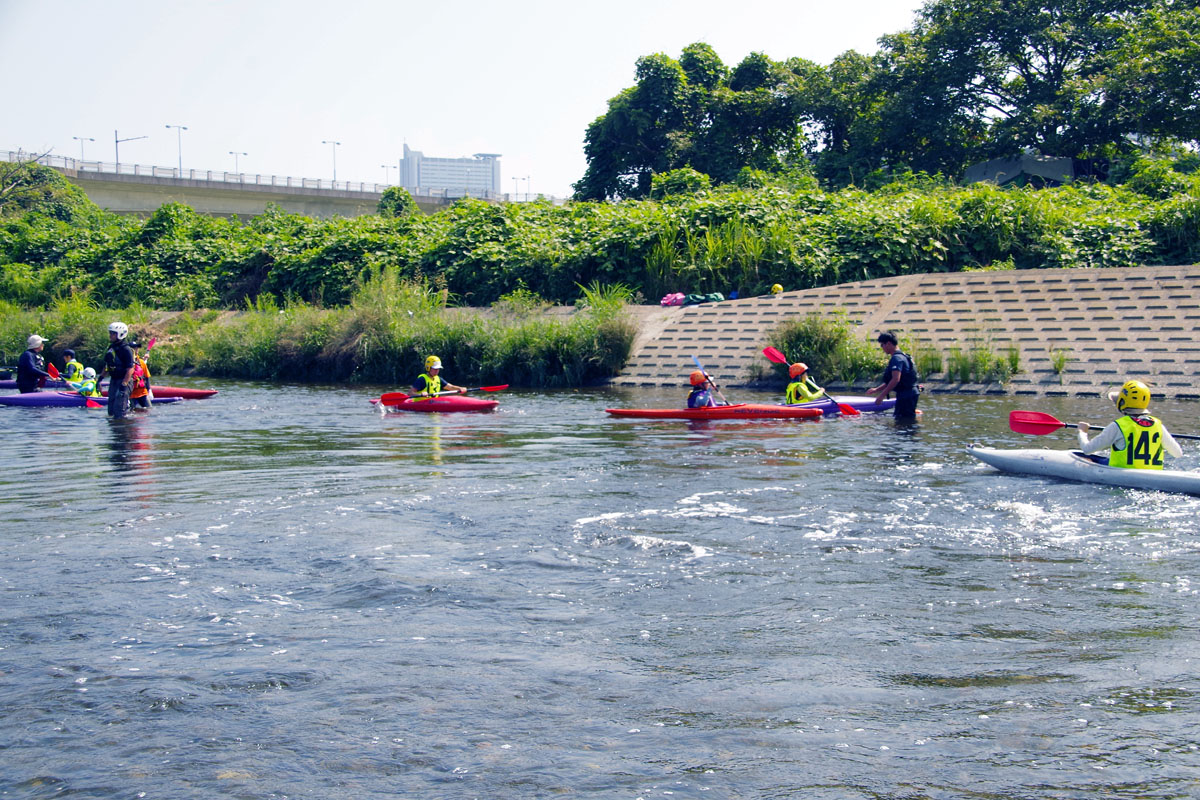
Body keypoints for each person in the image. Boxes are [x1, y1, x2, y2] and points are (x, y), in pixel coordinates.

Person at [1076, 380, 1182, 469]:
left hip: (1122, 474)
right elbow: (1178, 454)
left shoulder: (1117, 426)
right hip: (1153, 475)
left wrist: (1082, 432)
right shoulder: (1159, 425)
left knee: (1087, 458)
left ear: (1122, 402)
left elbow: (1087, 449)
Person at [867, 331, 920, 420]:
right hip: (909, 394)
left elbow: (896, 379)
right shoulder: (902, 356)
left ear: (888, 344)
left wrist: (881, 396)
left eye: (882, 345)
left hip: (906, 396)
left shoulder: (897, 359)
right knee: (903, 421)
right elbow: (892, 380)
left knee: (903, 422)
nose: (882, 348)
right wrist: (877, 390)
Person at [100, 321, 135, 418]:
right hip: (114, 380)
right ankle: (114, 430)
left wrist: (124, 384)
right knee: (111, 410)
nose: (110, 335)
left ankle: (122, 429)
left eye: (113, 333)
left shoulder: (126, 349)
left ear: (120, 334)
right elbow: (107, 365)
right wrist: (100, 379)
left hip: (123, 380)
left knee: (119, 411)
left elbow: (130, 369)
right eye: (110, 333)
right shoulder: (111, 348)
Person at [128, 341, 153, 411]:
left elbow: (147, 377)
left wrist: (149, 390)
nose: (136, 350)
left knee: (149, 410)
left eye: (137, 348)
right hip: (131, 394)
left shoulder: (141, 362)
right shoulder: (126, 362)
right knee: (132, 412)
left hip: (142, 393)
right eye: (134, 348)